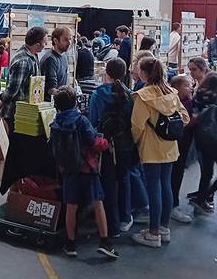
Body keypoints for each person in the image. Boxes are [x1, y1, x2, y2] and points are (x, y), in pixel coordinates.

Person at [51, 86, 116, 259]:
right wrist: (105, 143)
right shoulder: (81, 121)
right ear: (75, 102)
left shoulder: (55, 123)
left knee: (71, 207)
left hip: (69, 171)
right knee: (98, 203)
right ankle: (105, 241)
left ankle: (71, 243)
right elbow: (94, 142)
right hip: (88, 168)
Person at [131, 57, 190, 248]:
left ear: (144, 74)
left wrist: (135, 142)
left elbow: (137, 125)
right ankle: (164, 228)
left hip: (151, 147)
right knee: (166, 185)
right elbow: (185, 117)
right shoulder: (171, 92)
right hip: (170, 146)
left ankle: (153, 233)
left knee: (153, 188)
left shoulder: (143, 96)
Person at [89, 58, 139, 235]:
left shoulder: (97, 95)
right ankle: (125, 216)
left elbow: (92, 122)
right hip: (125, 144)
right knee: (124, 179)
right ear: (125, 73)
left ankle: (111, 223)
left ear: (106, 73)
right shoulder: (131, 96)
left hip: (105, 146)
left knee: (108, 183)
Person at [189, 72, 217, 215]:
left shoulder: (199, 96)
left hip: (201, 139)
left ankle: (201, 198)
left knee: (206, 172)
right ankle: (204, 196)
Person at [0, 26, 47, 131]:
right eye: (44, 42)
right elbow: (13, 88)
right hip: (15, 113)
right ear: (37, 44)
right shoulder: (23, 61)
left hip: (24, 112)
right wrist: (1, 98)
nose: (46, 45)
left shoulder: (33, 56)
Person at [168, 75, 194, 224]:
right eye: (186, 85)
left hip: (184, 145)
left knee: (177, 173)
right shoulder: (175, 103)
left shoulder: (189, 101)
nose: (190, 88)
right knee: (174, 174)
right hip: (176, 145)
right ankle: (172, 205)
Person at [40, 26, 72, 100]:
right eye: (65, 40)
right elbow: (51, 90)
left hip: (61, 101)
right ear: (55, 40)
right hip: (52, 103)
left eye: (70, 39)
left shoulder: (64, 55)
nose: (69, 43)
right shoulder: (50, 59)